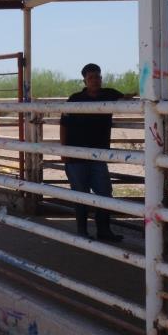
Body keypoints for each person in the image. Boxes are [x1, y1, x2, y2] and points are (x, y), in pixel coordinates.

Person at [60, 63, 134, 242]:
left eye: (98, 77)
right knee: (81, 194)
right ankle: (82, 231)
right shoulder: (75, 99)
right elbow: (63, 124)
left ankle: (104, 230)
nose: (95, 80)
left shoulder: (109, 93)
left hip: (99, 155)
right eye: (91, 77)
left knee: (105, 192)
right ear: (85, 80)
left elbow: (125, 99)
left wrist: (137, 97)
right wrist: (64, 149)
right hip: (76, 155)